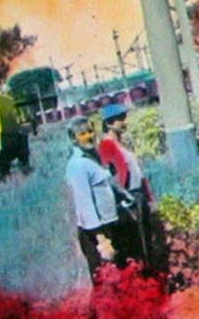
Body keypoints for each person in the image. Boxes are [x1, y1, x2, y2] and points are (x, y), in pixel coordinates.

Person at [98, 102, 166, 278]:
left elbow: (137, 173)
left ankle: (150, 276)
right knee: (137, 244)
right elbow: (110, 178)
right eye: (120, 119)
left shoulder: (121, 143)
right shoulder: (106, 146)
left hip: (138, 195)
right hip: (128, 199)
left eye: (124, 118)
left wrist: (148, 198)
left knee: (147, 241)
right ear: (109, 123)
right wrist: (123, 200)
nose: (124, 122)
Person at [65, 117, 137, 280]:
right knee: (104, 278)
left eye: (90, 132)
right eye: (82, 134)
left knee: (121, 273)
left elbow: (109, 184)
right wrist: (101, 239)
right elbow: (84, 204)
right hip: (95, 233)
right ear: (74, 139)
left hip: (109, 225)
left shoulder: (93, 157)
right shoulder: (78, 165)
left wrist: (127, 200)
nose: (89, 137)